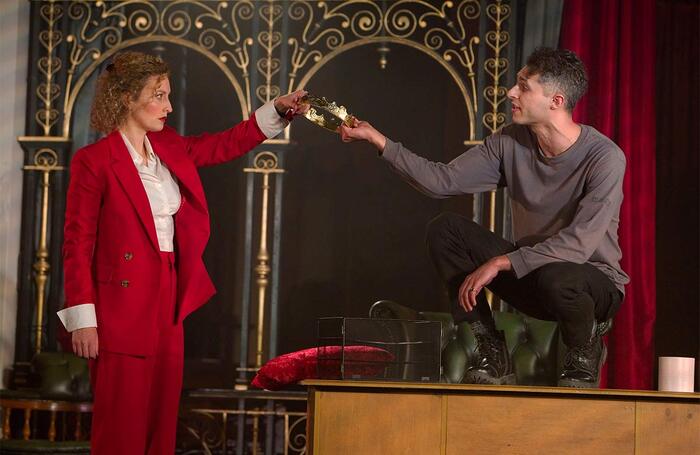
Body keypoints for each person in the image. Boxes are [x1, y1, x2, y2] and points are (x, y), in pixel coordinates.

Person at [57, 51, 308, 454]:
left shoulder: (167, 146)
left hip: (168, 296)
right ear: (126, 98)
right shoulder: (94, 161)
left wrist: (274, 111)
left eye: (168, 94)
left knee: (161, 428)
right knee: (121, 429)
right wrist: (82, 319)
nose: (169, 106)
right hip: (119, 306)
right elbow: (76, 243)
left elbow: (222, 145)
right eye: (158, 95)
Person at [339, 47, 628, 388]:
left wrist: (502, 262)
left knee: (560, 277)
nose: (512, 92)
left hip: (590, 287)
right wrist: (379, 140)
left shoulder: (605, 157)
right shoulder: (508, 141)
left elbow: (579, 245)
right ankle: (491, 347)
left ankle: (585, 351)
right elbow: (441, 181)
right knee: (446, 230)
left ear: (556, 100)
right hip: (533, 278)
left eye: (524, 86)